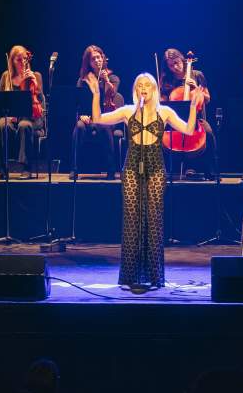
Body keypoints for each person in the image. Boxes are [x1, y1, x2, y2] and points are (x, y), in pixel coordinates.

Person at [84, 71, 202, 292]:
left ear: (154, 89)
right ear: (135, 90)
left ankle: (155, 276)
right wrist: (95, 95)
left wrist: (194, 108)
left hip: (156, 167)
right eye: (140, 85)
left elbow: (187, 129)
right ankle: (130, 275)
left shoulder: (164, 111)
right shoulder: (129, 111)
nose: (143, 88)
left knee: (154, 220)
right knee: (131, 219)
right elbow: (99, 119)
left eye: (147, 85)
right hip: (131, 167)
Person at [159, 48, 217, 180]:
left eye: (177, 62)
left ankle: (211, 171)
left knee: (208, 133)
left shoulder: (197, 75)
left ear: (183, 60)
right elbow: (162, 102)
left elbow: (207, 99)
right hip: (175, 121)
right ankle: (161, 172)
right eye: (171, 65)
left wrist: (197, 88)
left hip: (196, 119)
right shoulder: (167, 80)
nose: (175, 67)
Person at [71, 45, 121, 180]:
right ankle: (74, 168)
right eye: (93, 59)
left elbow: (113, 94)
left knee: (104, 126)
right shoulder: (83, 80)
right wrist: (82, 115)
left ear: (103, 58)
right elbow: (78, 102)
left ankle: (111, 170)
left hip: (106, 117)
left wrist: (106, 81)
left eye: (99, 57)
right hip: (88, 117)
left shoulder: (113, 77)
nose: (97, 60)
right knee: (79, 127)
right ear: (89, 63)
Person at [0, 45, 44, 180]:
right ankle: (3, 167)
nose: (22, 62)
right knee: (1, 124)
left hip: (31, 118)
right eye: (18, 60)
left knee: (24, 125)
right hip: (11, 118)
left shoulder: (36, 76)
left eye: (24, 59)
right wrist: (9, 115)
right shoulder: (6, 76)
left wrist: (33, 82)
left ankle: (26, 168)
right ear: (12, 61)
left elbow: (39, 102)